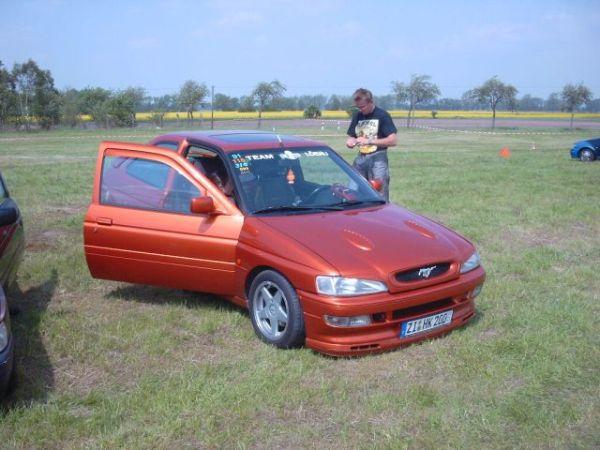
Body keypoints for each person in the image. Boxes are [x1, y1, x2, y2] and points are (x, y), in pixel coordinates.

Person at [346, 88, 397, 201]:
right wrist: (350, 141)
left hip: (378, 158)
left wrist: (369, 141)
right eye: (358, 107)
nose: (360, 109)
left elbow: (393, 140)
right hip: (361, 158)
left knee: (379, 192)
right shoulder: (358, 116)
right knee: (352, 191)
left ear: (370, 102)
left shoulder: (382, 115)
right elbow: (351, 135)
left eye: (362, 106)